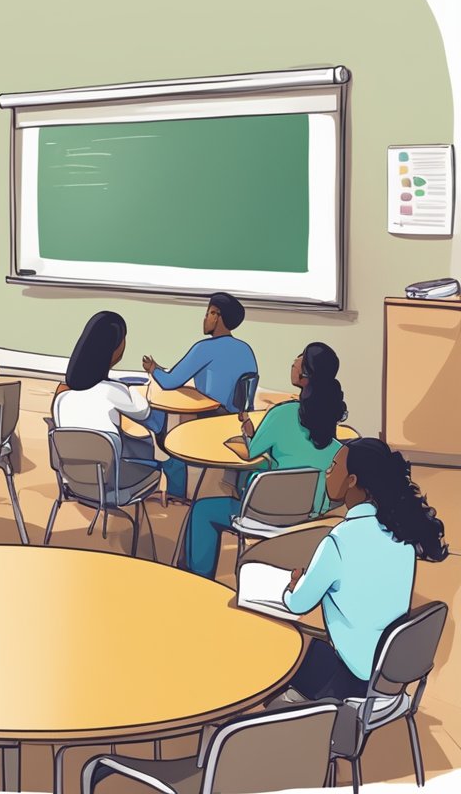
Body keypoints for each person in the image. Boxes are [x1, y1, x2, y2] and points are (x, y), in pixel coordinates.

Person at [280, 438, 448, 702]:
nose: (327, 471)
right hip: (389, 675)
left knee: (285, 650)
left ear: (352, 481)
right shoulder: (401, 536)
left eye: (334, 466)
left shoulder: (338, 541)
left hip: (351, 678)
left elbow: (297, 605)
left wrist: (293, 586)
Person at [181, 343, 348, 578]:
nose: (294, 360)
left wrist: (245, 436)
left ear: (305, 374)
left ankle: (196, 577)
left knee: (202, 509)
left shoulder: (283, 413)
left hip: (262, 513)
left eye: (299, 357)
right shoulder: (329, 423)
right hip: (307, 517)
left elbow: (252, 452)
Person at [141, 292, 258, 499]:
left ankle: (177, 491)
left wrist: (152, 369)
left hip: (213, 419)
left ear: (217, 316)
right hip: (238, 421)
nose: (204, 319)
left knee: (169, 431)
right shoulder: (245, 349)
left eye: (208, 313)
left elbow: (170, 382)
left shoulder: (204, 349)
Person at [51, 311, 161, 473]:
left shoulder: (62, 397)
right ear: (114, 348)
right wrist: (132, 389)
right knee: (148, 445)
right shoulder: (113, 391)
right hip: (111, 481)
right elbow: (143, 412)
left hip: (74, 480)